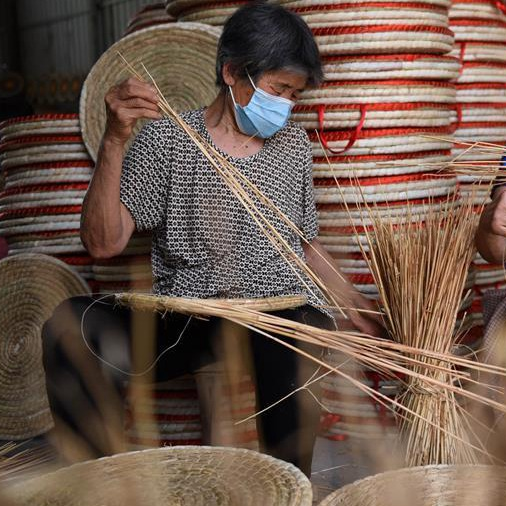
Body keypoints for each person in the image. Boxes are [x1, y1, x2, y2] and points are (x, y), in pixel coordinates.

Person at [42, 1, 381, 476]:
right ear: (232, 72)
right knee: (72, 322)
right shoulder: (166, 140)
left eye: (294, 94)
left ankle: (289, 484)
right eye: (279, 89)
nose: (286, 105)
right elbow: (104, 243)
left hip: (274, 312)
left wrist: (353, 303)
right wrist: (115, 139)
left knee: (302, 327)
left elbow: (301, 245)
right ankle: (94, 483)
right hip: (192, 314)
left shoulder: (293, 148)